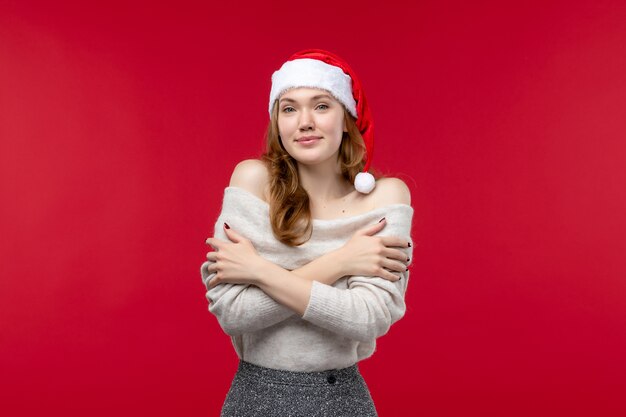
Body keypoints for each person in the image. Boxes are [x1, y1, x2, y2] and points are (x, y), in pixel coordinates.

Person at [201, 48, 414, 417]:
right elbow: (233, 313)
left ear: (347, 118)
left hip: (341, 402)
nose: (304, 122)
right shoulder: (252, 180)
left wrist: (258, 271)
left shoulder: (386, 197)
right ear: (277, 122)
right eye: (289, 108)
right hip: (254, 399)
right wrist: (342, 261)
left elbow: (368, 317)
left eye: (321, 106)